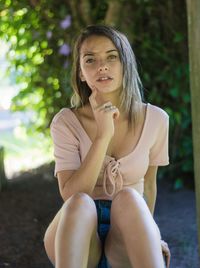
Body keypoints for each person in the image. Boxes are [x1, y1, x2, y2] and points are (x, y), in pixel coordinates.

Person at [44, 25, 171, 268]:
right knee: (80, 203)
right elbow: (70, 194)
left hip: (125, 232)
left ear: (126, 64)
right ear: (81, 72)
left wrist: (151, 235)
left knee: (131, 199)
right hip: (78, 232)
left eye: (112, 57)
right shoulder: (65, 122)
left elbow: (150, 186)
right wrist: (103, 136)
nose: (102, 66)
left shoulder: (157, 119)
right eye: (90, 60)